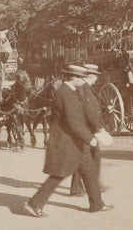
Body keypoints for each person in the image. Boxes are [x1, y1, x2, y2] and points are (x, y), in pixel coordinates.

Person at [24, 65, 113, 218]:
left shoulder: (71, 92)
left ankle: (97, 204)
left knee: (89, 172)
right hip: (67, 142)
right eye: (81, 77)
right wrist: (90, 138)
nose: (83, 79)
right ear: (74, 78)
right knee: (58, 174)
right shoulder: (66, 94)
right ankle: (34, 204)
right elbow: (74, 122)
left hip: (75, 142)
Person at [70, 64, 108, 196]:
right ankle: (87, 185)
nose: (97, 79)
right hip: (87, 129)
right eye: (96, 76)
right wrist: (99, 127)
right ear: (91, 76)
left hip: (87, 128)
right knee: (93, 155)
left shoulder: (85, 88)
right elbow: (90, 110)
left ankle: (79, 187)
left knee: (85, 156)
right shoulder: (85, 88)